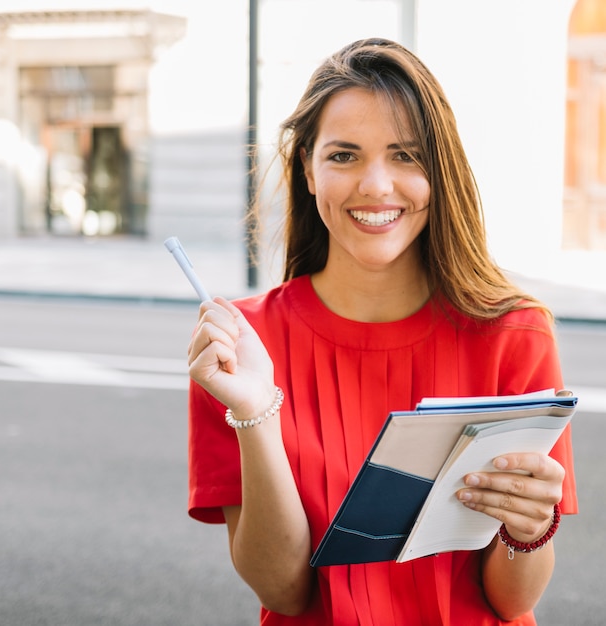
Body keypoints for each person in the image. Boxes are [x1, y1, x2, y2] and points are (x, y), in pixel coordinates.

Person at [187, 38, 577, 625]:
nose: (376, 186)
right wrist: (256, 412)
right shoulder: (241, 349)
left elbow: (513, 601)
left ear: (438, 172)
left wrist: (529, 529)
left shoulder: (515, 334)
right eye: (344, 156)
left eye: (405, 155)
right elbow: (284, 593)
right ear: (308, 170)